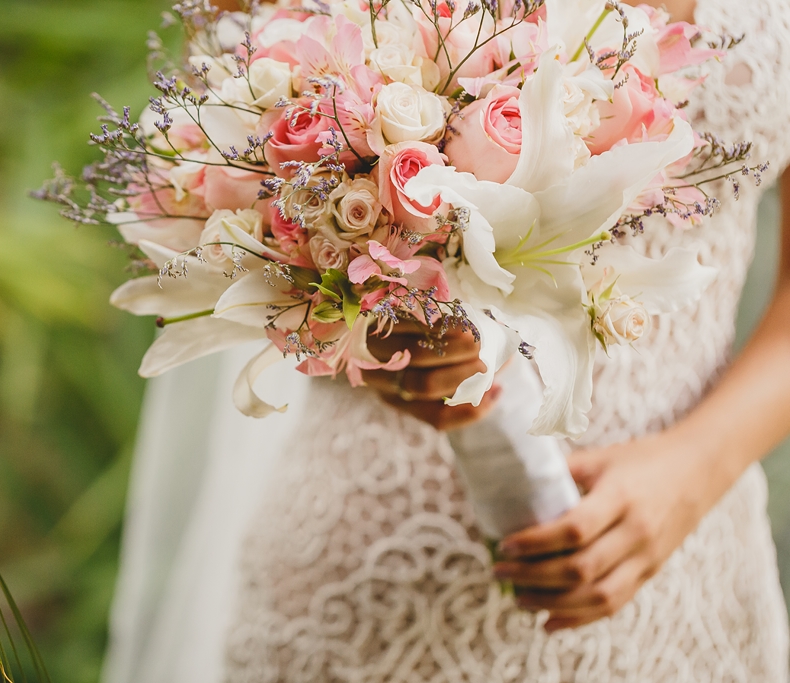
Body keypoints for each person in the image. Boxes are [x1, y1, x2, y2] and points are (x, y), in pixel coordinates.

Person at [107, 0, 790, 680]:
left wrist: (696, 468)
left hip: (686, 560)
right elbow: (235, 151)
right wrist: (364, 328)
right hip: (367, 573)